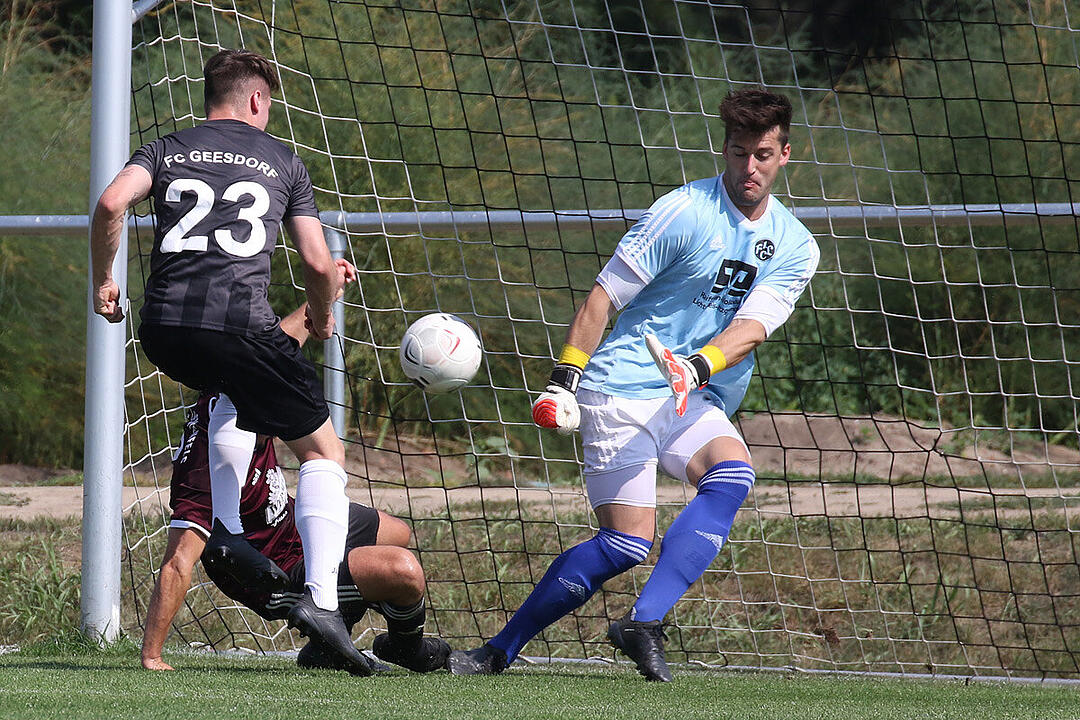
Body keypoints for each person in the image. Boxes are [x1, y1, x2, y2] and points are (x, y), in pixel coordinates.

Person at [448, 89, 819, 681]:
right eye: (739, 151)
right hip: (620, 388)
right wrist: (564, 380)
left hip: (689, 389)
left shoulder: (796, 245)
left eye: (764, 154)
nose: (749, 167)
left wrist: (696, 367)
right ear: (724, 149)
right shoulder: (683, 211)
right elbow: (604, 297)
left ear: (785, 155)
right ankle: (498, 651)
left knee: (733, 476)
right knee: (626, 546)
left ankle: (642, 624)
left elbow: (752, 327)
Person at [91, 49, 364, 672]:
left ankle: (223, 528)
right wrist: (323, 313)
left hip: (163, 330)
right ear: (258, 101)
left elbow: (111, 205)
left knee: (232, 390)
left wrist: (106, 280)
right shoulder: (283, 162)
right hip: (237, 325)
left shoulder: (165, 147)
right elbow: (320, 266)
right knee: (324, 452)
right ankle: (321, 601)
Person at [140, 303, 451, 675]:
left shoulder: (235, 390)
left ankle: (327, 642)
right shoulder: (206, 472)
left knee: (397, 532)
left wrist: (325, 291)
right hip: (280, 570)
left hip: (293, 527)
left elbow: (280, 344)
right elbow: (178, 562)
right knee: (404, 571)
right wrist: (152, 655)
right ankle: (406, 648)